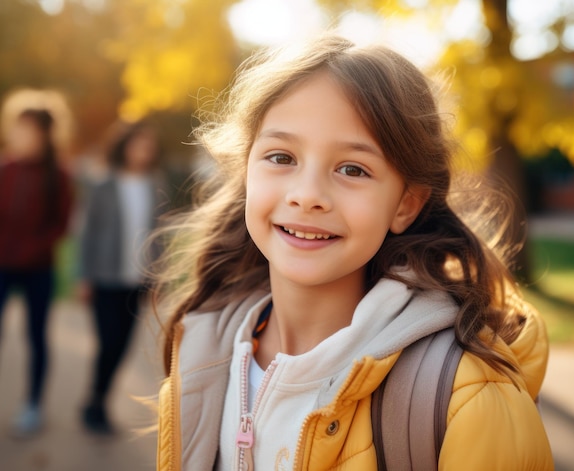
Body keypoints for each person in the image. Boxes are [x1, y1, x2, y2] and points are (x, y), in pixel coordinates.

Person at [154, 35, 553, 470]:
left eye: (352, 169)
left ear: (405, 204)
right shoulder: (202, 358)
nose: (307, 196)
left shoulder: (468, 397)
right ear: (246, 169)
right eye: (281, 156)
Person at [78, 120, 164, 434]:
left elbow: (159, 234)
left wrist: (159, 277)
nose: (145, 150)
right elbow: (87, 233)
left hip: (138, 280)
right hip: (104, 277)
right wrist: (83, 277)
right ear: (124, 146)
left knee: (122, 345)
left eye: (149, 145)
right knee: (109, 342)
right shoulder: (104, 184)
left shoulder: (155, 184)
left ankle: (96, 402)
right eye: (139, 143)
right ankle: (96, 402)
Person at [0, 108, 73, 437]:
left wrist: (32, 248)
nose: (21, 137)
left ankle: (32, 404)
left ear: (45, 136)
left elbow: (61, 224)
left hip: (38, 269)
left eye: (29, 131)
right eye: (18, 130)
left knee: (37, 337)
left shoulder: (58, 176)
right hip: (2, 266)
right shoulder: (5, 170)